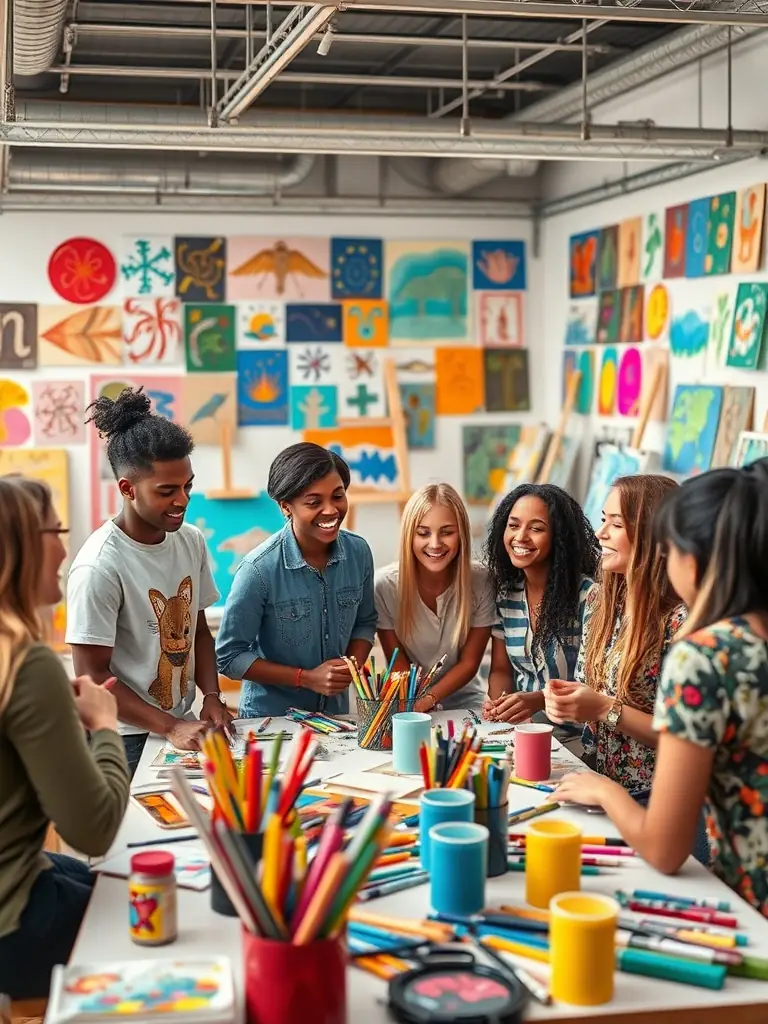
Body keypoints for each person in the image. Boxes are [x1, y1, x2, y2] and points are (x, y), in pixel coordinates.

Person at [554, 464, 768, 907]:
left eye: (671, 548)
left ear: (698, 556)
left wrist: (603, 789)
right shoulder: (603, 601)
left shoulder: (707, 653)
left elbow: (665, 849)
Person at [0, 477, 129, 999]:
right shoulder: (26, 665)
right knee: (151, 912)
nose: (66, 548)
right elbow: (94, 829)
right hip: (12, 928)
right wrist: (104, 723)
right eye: (57, 529)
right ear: (25, 544)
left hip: (17, 877)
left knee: (102, 881)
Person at [66, 388, 233, 778]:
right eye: (167, 491)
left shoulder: (189, 539)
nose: (183, 500)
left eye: (187, 485)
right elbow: (91, 676)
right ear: (127, 489)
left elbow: (199, 632)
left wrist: (211, 695)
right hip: (122, 737)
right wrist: (170, 726)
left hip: (180, 724)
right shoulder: (99, 567)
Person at [545, 475, 686, 791]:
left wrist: (603, 708)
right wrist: (564, 699)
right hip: (601, 784)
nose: (600, 533)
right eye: (602, 520)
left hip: (657, 797)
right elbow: (589, 689)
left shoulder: (681, 621)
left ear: (651, 534)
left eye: (616, 524)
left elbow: (683, 737)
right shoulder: (600, 601)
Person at [216, 443, 377, 718]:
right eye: (314, 502)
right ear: (285, 507)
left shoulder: (358, 553)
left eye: (338, 496)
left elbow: (365, 622)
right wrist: (306, 678)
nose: (331, 511)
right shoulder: (258, 570)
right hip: (272, 722)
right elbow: (229, 657)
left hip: (336, 718)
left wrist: (349, 665)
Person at [482, 483, 599, 728]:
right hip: (525, 731)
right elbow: (501, 670)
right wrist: (499, 705)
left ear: (560, 538)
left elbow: (594, 685)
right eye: (513, 525)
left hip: (578, 738)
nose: (520, 536)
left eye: (536, 528)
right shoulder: (507, 595)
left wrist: (538, 700)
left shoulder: (588, 596)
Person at [374, 483, 496, 713]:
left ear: (461, 534)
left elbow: (469, 663)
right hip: (408, 696)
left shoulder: (483, 580)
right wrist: (415, 703)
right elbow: (397, 663)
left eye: (447, 532)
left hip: (465, 698)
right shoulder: (384, 587)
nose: (435, 543)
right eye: (423, 533)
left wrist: (429, 700)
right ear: (409, 536)